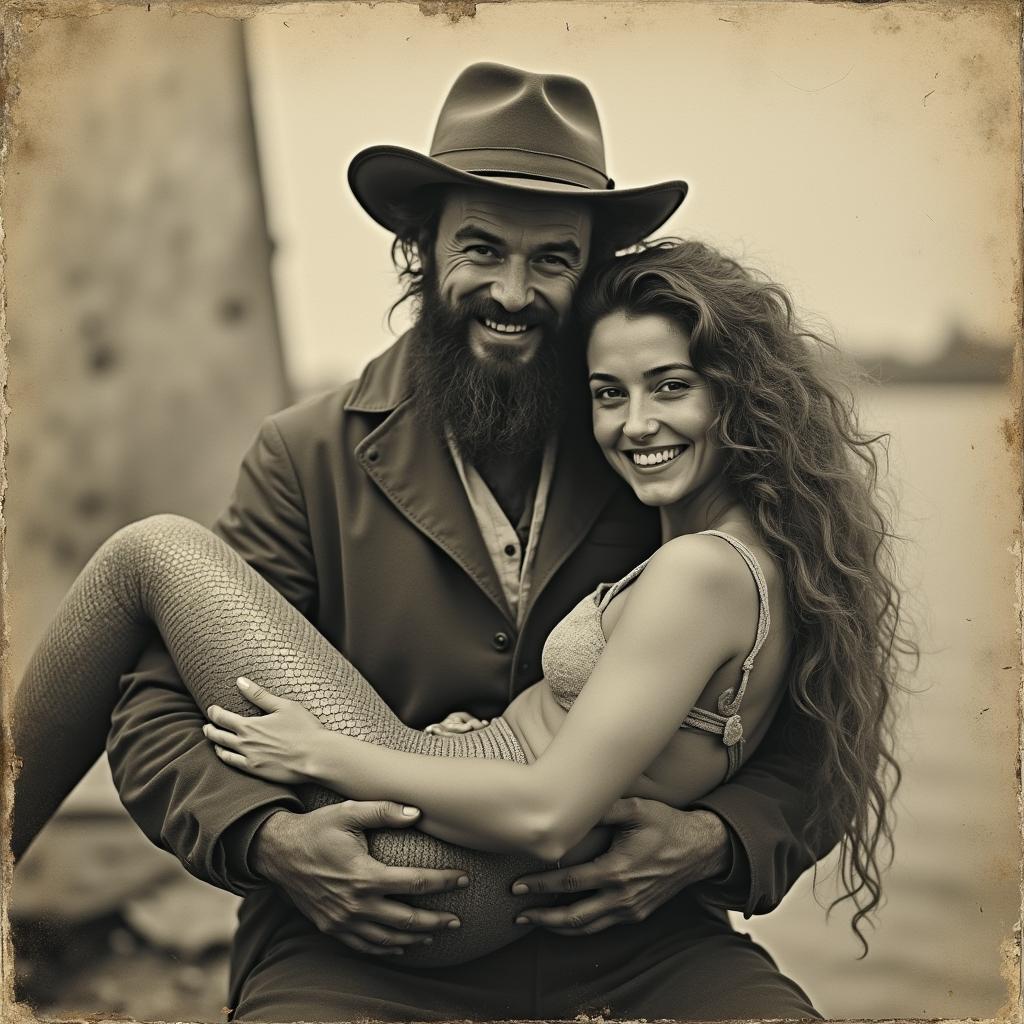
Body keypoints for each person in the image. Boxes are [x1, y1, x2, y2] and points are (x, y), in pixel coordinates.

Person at [17, 64, 847, 1020]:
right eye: (482, 249)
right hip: (362, 934)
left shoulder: (650, 447)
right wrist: (265, 841)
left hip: (633, 937)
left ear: (588, 273)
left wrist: (714, 844)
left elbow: (814, 727)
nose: (512, 290)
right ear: (419, 250)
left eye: (552, 261)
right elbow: (158, 703)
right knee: (151, 559)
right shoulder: (306, 452)